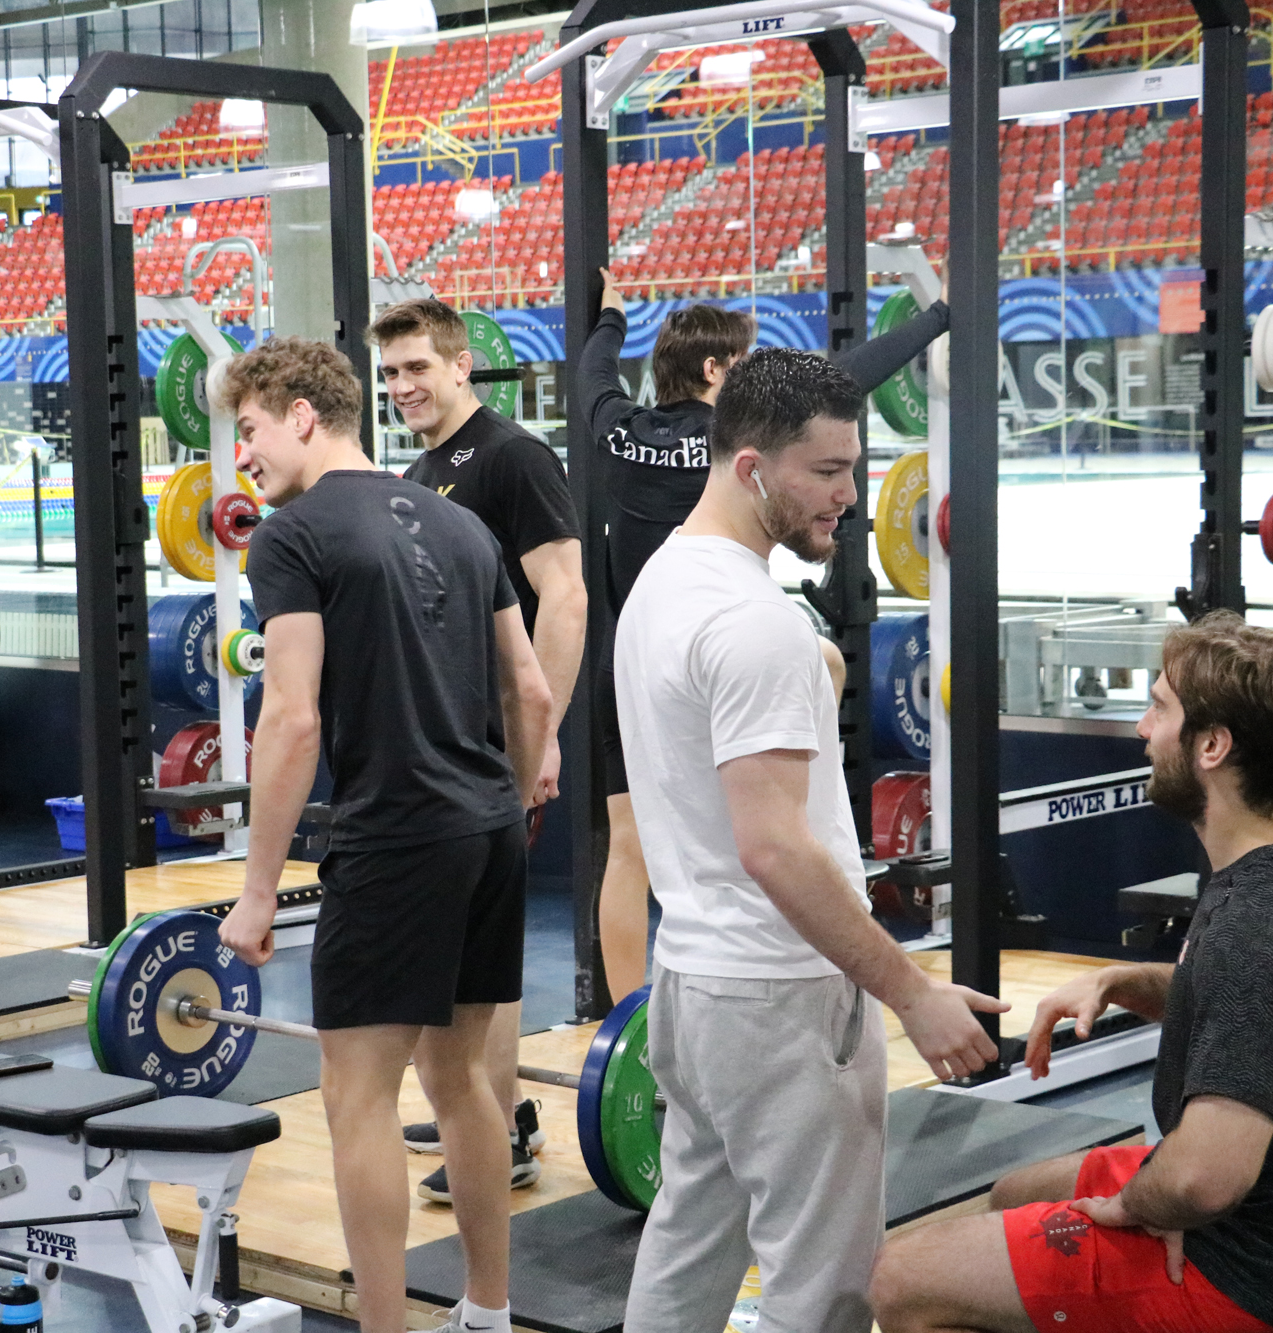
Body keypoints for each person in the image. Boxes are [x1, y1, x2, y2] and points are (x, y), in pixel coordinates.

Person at [616, 347, 1006, 1333]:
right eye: (825, 473)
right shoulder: (756, 624)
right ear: (749, 467)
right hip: (780, 997)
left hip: (693, 983)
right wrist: (910, 992)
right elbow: (775, 849)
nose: (847, 495)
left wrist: (811, 664)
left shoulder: (665, 581)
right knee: (823, 1285)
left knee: (687, 1244)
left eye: (851, 468)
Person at [869, 611, 1273, 1333]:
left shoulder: (1261, 921)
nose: (1144, 729)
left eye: (1160, 708)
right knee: (1016, 1191)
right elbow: (1268, 1017)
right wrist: (1122, 983)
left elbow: (1207, 1176)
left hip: (1246, 1271)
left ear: (1212, 746)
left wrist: (1141, 1206)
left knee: (898, 1282)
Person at [217, 336, 553, 1333]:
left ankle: (385, 1328)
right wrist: (506, 800)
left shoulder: (290, 535)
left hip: (396, 837)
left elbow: (290, 718)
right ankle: (486, 1312)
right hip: (486, 826)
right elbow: (527, 688)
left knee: (354, 1093)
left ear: (303, 416)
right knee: (459, 1081)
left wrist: (256, 888)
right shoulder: (458, 524)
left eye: (248, 428)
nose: (241, 454)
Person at [580, 269, 952, 997]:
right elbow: (852, 373)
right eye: (745, 365)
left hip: (630, 661)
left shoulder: (622, 431)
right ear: (717, 370)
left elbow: (593, 378)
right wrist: (937, 316)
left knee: (629, 851)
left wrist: (611, 318)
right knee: (815, 672)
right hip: (717, 662)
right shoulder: (739, 444)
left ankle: (622, 1026)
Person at [372, 297, 585, 1200]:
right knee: (462, 954)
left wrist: (545, 735)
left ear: (462, 364)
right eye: (389, 374)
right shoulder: (423, 470)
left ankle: (500, 1140)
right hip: (450, 739)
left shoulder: (512, 456)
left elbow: (566, 595)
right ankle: (477, 1114)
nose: (402, 387)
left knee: (483, 967)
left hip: (503, 739)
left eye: (417, 367)